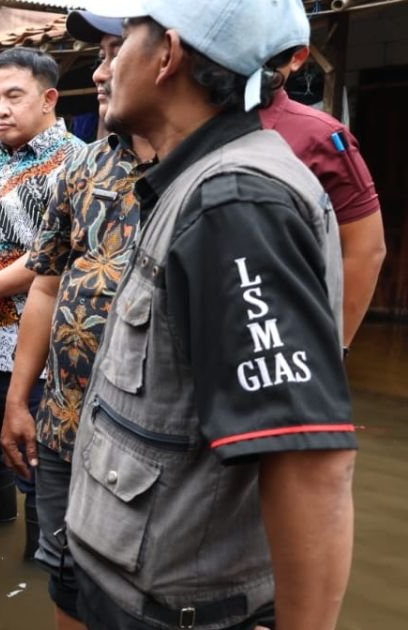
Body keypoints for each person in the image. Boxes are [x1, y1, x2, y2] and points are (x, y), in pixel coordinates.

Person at [64, 1, 357, 627]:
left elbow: (306, 460)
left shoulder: (234, 203)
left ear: (167, 55)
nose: (106, 66)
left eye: (124, 43)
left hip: (171, 605)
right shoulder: (193, 180)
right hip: (131, 581)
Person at [0, 11, 154, 629]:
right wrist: (20, 399)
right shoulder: (85, 167)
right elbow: (46, 284)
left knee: (150, 594)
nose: (100, 69)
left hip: (153, 444)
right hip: (65, 422)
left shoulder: (213, 175)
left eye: (115, 51)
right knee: (67, 579)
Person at [0, 47, 82, 525]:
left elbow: (60, 249)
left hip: (34, 351)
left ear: (48, 99)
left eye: (13, 97)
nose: (1, 109)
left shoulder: (76, 163)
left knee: (35, 460)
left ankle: (39, 571)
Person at [260, 43, 385, 348]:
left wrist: (333, 347)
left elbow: (366, 249)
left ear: (297, 58)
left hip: (278, 334)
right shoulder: (190, 124)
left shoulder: (321, 136)